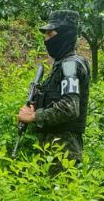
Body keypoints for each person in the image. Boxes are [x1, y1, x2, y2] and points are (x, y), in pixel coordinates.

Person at [17, 10, 90, 170]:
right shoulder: (61, 65)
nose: (46, 40)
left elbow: (69, 108)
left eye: (50, 34)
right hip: (52, 150)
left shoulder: (70, 65)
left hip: (64, 152)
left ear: (65, 35)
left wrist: (34, 116)